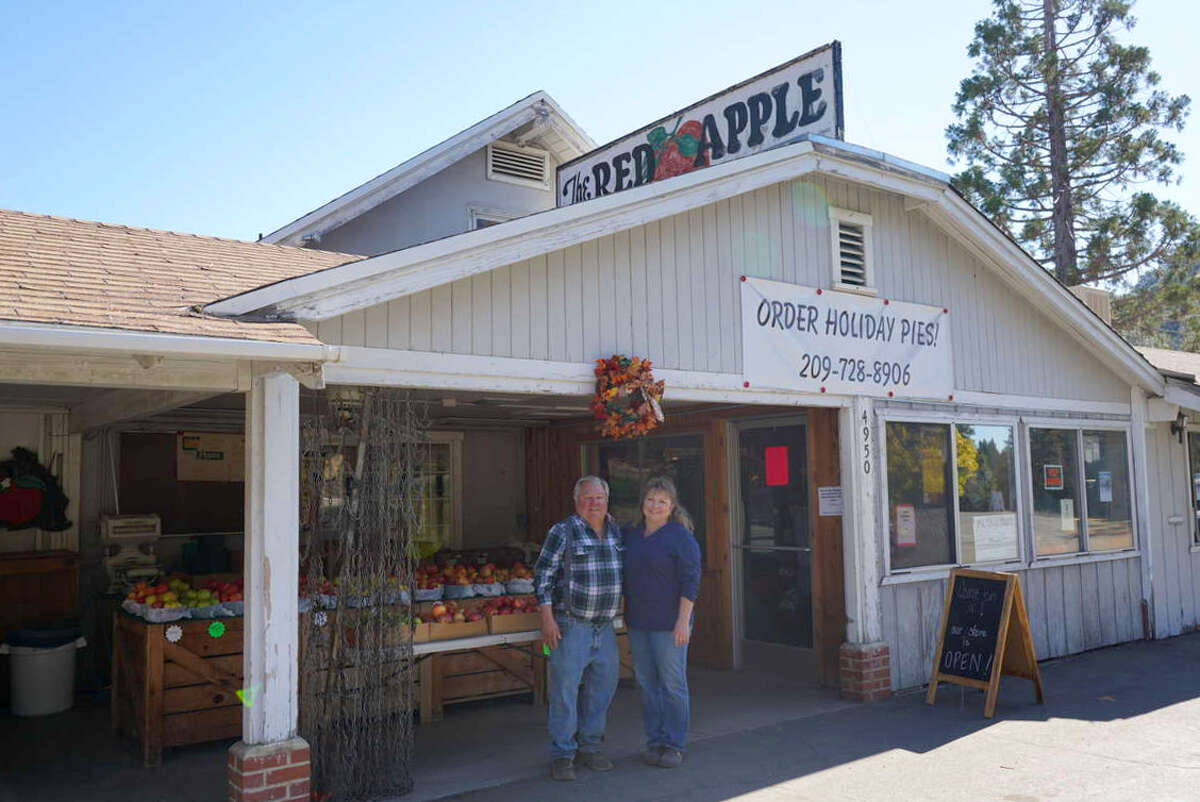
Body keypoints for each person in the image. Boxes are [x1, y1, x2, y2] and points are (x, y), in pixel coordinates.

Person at [533, 475, 624, 782]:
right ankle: (562, 755)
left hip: (605, 626)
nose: (593, 503)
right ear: (576, 501)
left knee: (602, 690)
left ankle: (591, 747)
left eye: (598, 498)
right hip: (571, 625)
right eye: (587, 498)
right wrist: (547, 619)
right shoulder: (562, 532)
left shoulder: (616, 532)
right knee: (564, 692)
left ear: (606, 500)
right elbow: (542, 577)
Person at [622, 476, 701, 769]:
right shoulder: (630, 534)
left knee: (672, 684)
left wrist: (683, 622)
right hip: (639, 622)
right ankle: (654, 740)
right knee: (646, 683)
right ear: (643, 503)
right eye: (651, 500)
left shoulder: (680, 537)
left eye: (662, 501)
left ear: (672, 506)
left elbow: (691, 581)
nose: (655, 506)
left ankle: (674, 743)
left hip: (670, 624)